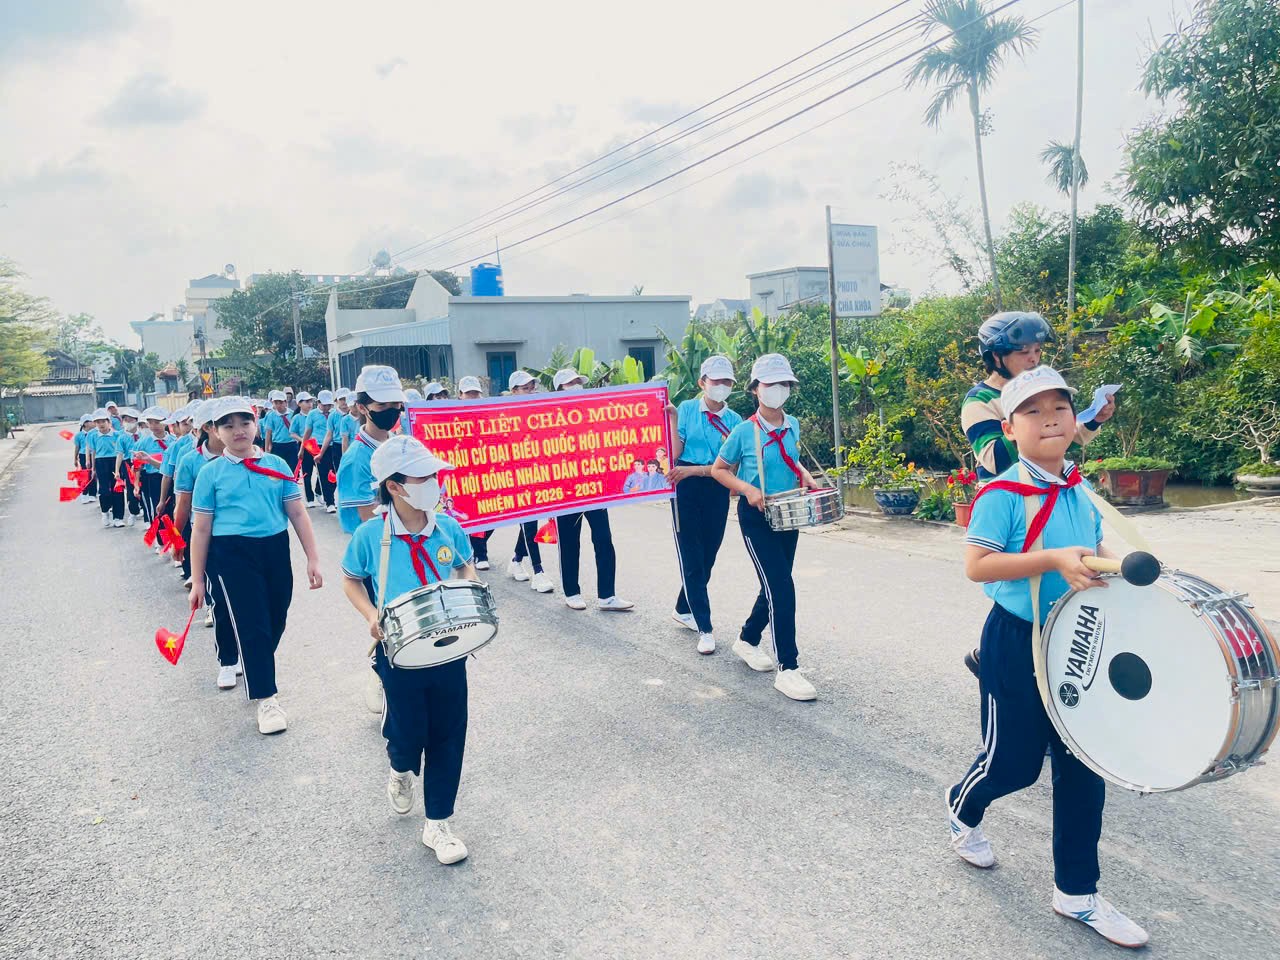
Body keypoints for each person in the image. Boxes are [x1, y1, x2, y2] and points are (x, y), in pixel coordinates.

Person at [947, 366, 1147, 948]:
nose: (1050, 418)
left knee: (1083, 764)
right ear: (1010, 429)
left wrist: (1122, 572)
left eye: (1059, 407)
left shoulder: (1078, 488)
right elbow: (978, 566)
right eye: (1032, 411)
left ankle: (1077, 893)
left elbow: (1093, 547)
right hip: (1016, 639)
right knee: (1013, 765)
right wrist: (1054, 559)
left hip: (1076, 638)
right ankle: (962, 808)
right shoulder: (1001, 494)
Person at [340, 435, 475, 865]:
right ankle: (400, 767)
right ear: (395, 486)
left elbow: (465, 565)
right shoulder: (370, 536)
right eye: (424, 477)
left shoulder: (448, 527)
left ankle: (438, 823)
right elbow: (351, 579)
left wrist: (468, 590)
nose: (435, 482)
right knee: (408, 732)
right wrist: (370, 615)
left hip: (448, 647)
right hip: (398, 652)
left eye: (435, 474)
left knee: (448, 733)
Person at [960, 312, 1116, 679]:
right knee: (1018, 594)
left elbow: (1068, 437)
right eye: (1023, 352)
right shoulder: (980, 400)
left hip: (1053, 485)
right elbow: (993, 457)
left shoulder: (1079, 486)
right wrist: (1039, 429)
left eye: (1036, 350)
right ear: (996, 357)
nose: (1033, 358)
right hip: (1017, 494)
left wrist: (1091, 419)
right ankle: (995, 654)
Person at [188, 396, 323, 735]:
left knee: (276, 617)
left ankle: (254, 661)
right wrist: (198, 579)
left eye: (245, 422)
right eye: (228, 425)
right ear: (215, 431)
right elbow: (201, 529)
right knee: (254, 625)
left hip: (275, 548)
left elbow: (297, 513)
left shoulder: (277, 465)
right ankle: (266, 698)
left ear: (256, 424)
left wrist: (313, 558)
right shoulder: (210, 473)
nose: (238, 431)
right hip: (231, 554)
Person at [711, 354, 821, 701]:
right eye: (771, 384)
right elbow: (719, 470)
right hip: (756, 517)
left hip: (788, 513)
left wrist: (805, 474)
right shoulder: (744, 431)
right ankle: (788, 668)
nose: (778, 389)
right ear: (756, 389)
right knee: (782, 587)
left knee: (775, 584)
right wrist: (747, 488)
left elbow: (791, 458)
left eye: (784, 383)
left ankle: (747, 638)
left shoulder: (793, 425)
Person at [337, 365, 407, 714]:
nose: (391, 411)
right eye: (382, 405)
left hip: (409, 543)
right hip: (380, 552)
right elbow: (368, 520)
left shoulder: (401, 444)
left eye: (396, 404)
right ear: (363, 407)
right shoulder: (356, 459)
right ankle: (381, 673)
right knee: (388, 619)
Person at [666, 355, 742, 655]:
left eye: (727, 381)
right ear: (702, 382)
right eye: (716, 380)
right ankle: (705, 627)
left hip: (717, 487)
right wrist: (672, 420)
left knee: (708, 555)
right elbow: (676, 453)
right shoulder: (687, 409)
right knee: (691, 557)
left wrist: (696, 471)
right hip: (685, 488)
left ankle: (683, 608)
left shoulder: (735, 420)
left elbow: (730, 467)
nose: (722, 386)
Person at [550, 368, 633, 612]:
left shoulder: (592, 412)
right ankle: (572, 592)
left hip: (594, 487)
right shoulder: (549, 417)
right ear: (559, 389)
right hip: (565, 490)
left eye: (579, 381)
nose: (577, 385)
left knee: (603, 539)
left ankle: (607, 595)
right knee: (569, 541)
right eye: (571, 383)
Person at [173, 401, 226, 630]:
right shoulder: (190, 461)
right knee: (211, 573)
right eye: (224, 423)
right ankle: (214, 606)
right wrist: (177, 538)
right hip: (205, 530)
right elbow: (183, 504)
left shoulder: (244, 456)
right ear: (207, 428)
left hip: (237, 530)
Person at [505, 370, 554, 594]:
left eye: (532, 388)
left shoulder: (539, 411)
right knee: (529, 518)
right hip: (516, 474)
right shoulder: (503, 414)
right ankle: (538, 571)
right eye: (525, 388)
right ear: (513, 391)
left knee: (529, 519)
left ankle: (517, 559)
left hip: (538, 472)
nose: (530, 392)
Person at [454, 376, 492, 569]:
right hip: (463, 473)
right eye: (469, 393)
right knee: (472, 511)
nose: (473, 397)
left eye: (476, 393)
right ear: (460, 395)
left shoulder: (487, 415)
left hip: (486, 471)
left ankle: (475, 547)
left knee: (492, 514)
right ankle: (480, 554)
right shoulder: (451, 417)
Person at [86, 409, 124, 528]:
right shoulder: (93, 435)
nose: (101, 424)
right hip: (100, 462)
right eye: (98, 422)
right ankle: (105, 511)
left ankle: (118, 517)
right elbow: (93, 452)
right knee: (104, 490)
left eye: (103, 421)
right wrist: (93, 468)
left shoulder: (117, 435)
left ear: (109, 422)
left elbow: (121, 452)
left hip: (115, 462)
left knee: (117, 489)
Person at [134, 407, 170, 527]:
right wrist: (136, 484)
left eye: (157, 422)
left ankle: (174, 536)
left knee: (171, 509)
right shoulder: (142, 443)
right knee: (156, 509)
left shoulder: (174, 441)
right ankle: (159, 536)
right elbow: (137, 466)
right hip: (152, 479)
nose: (154, 426)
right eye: (150, 422)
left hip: (171, 478)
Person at [112, 407, 144, 527]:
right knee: (131, 490)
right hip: (128, 464)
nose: (128, 422)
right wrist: (117, 471)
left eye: (130, 420)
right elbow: (119, 454)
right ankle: (133, 511)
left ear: (136, 421)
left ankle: (146, 516)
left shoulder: (142, 435)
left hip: (143, 463)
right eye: (125, 420)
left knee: (144, 489)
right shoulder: (122, 437)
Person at [263, 389, 303, 473]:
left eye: (280, 402)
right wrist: (267, 449)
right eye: (276, 403)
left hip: (292, 444)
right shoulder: (271, 415)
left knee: (293, 469)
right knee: (278, 470)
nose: (278, 405)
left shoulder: (292, 414)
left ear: (285, 402)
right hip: (277, 445)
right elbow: (268, 433)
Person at [314, 389, 341, 513]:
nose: (327, 407)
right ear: (318, 402)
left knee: (335, 475)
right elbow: (308, 431)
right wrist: (303, 446)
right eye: (324, 404)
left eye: (329, 405)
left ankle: (319, 490)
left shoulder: (335, 414)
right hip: (319, 446)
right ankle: (330, 502)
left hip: (334, 447)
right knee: (324, 474)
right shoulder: (313, 415)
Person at [295, 391, 320, 508]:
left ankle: (319, 491)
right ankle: (310, 499)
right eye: (306, 401)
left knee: (323, 470)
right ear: (299, 403)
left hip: (316, 445)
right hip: (304, 446)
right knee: (307, 473)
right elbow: (292, 433)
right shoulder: (297, 418)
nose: (310, 404)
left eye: (311, 401)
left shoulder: (316, 414)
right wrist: (302, 440)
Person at [74, 415, 97, 503]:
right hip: (83, 455)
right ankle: (84, 493)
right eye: (91, 422)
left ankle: (92, 493)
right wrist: (75, 459)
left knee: (93, 474)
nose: (94, 423)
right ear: (85, 423)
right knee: (85, 474)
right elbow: (77, 447)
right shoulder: (79, 435)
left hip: (94, 455)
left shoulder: (94, 433)